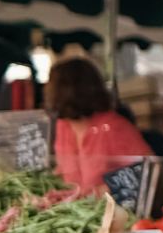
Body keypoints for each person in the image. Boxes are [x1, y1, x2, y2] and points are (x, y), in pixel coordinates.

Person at [47, 58, 151, 191]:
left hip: (113, 209)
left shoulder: (113, 127)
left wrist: (105, 190)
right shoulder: (64, 126)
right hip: (76, 208)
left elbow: (149, 171)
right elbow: (64, 170)